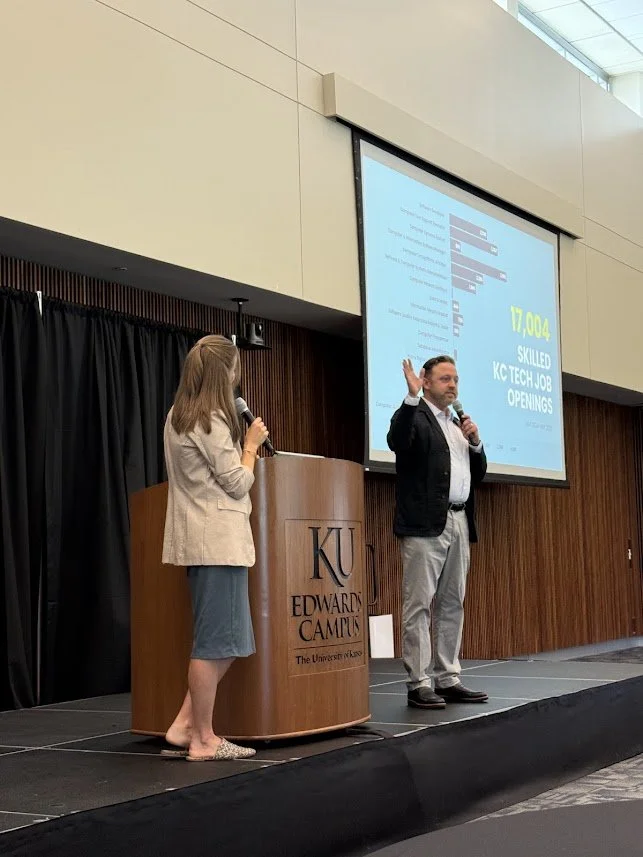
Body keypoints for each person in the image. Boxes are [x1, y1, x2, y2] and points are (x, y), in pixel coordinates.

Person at [161, 334, 270, 760]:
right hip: (217, 543)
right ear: (225, 373)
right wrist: (251, 446)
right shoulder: (211, 420)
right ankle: (204, 740)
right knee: (214, 644)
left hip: (204, 541)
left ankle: (184, 725)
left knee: (228, 641)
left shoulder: (178, 415)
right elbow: (238, 482)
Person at [387, 355, 488, 709]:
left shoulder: (458, 424)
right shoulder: (415, 416)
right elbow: (397, 440)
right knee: (419, 604)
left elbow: (478, 473)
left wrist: (475, 443)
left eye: (455, 379)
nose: (453, 385)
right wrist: (410, 398)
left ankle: (448, 677)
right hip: (425, 524)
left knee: (452, 602)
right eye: (445, 378)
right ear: (426, 382)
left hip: (459, 520)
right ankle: (418, 682)